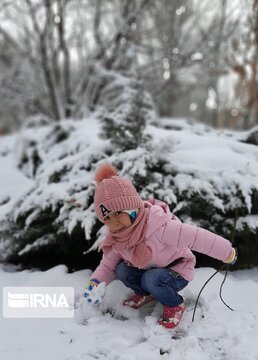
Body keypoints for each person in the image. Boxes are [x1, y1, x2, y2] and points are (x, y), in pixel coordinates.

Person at [84, 163, 237, 329]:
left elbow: (198, 237)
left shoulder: (159, 227)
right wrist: (95, 283)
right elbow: (107, 266)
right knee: (122, 270)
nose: (114, 222)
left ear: (133, 208)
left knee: (152, 278)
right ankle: (146, 294)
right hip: (149, 272)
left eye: (119, 213)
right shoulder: (118, 239)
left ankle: (175, 304)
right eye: (107, 217)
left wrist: (227, 252)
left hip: (176, 271)